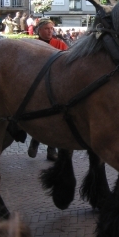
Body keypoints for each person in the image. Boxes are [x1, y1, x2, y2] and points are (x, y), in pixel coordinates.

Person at [28, 18, 68, 161]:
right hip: (37, 84)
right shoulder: (31, 44)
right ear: (39, 30)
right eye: (47, 28)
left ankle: (51, 150)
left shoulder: (59, 44)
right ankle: (35, 140)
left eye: (51, 28)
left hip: (54, 84)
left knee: (54, 117)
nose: (50, 31)